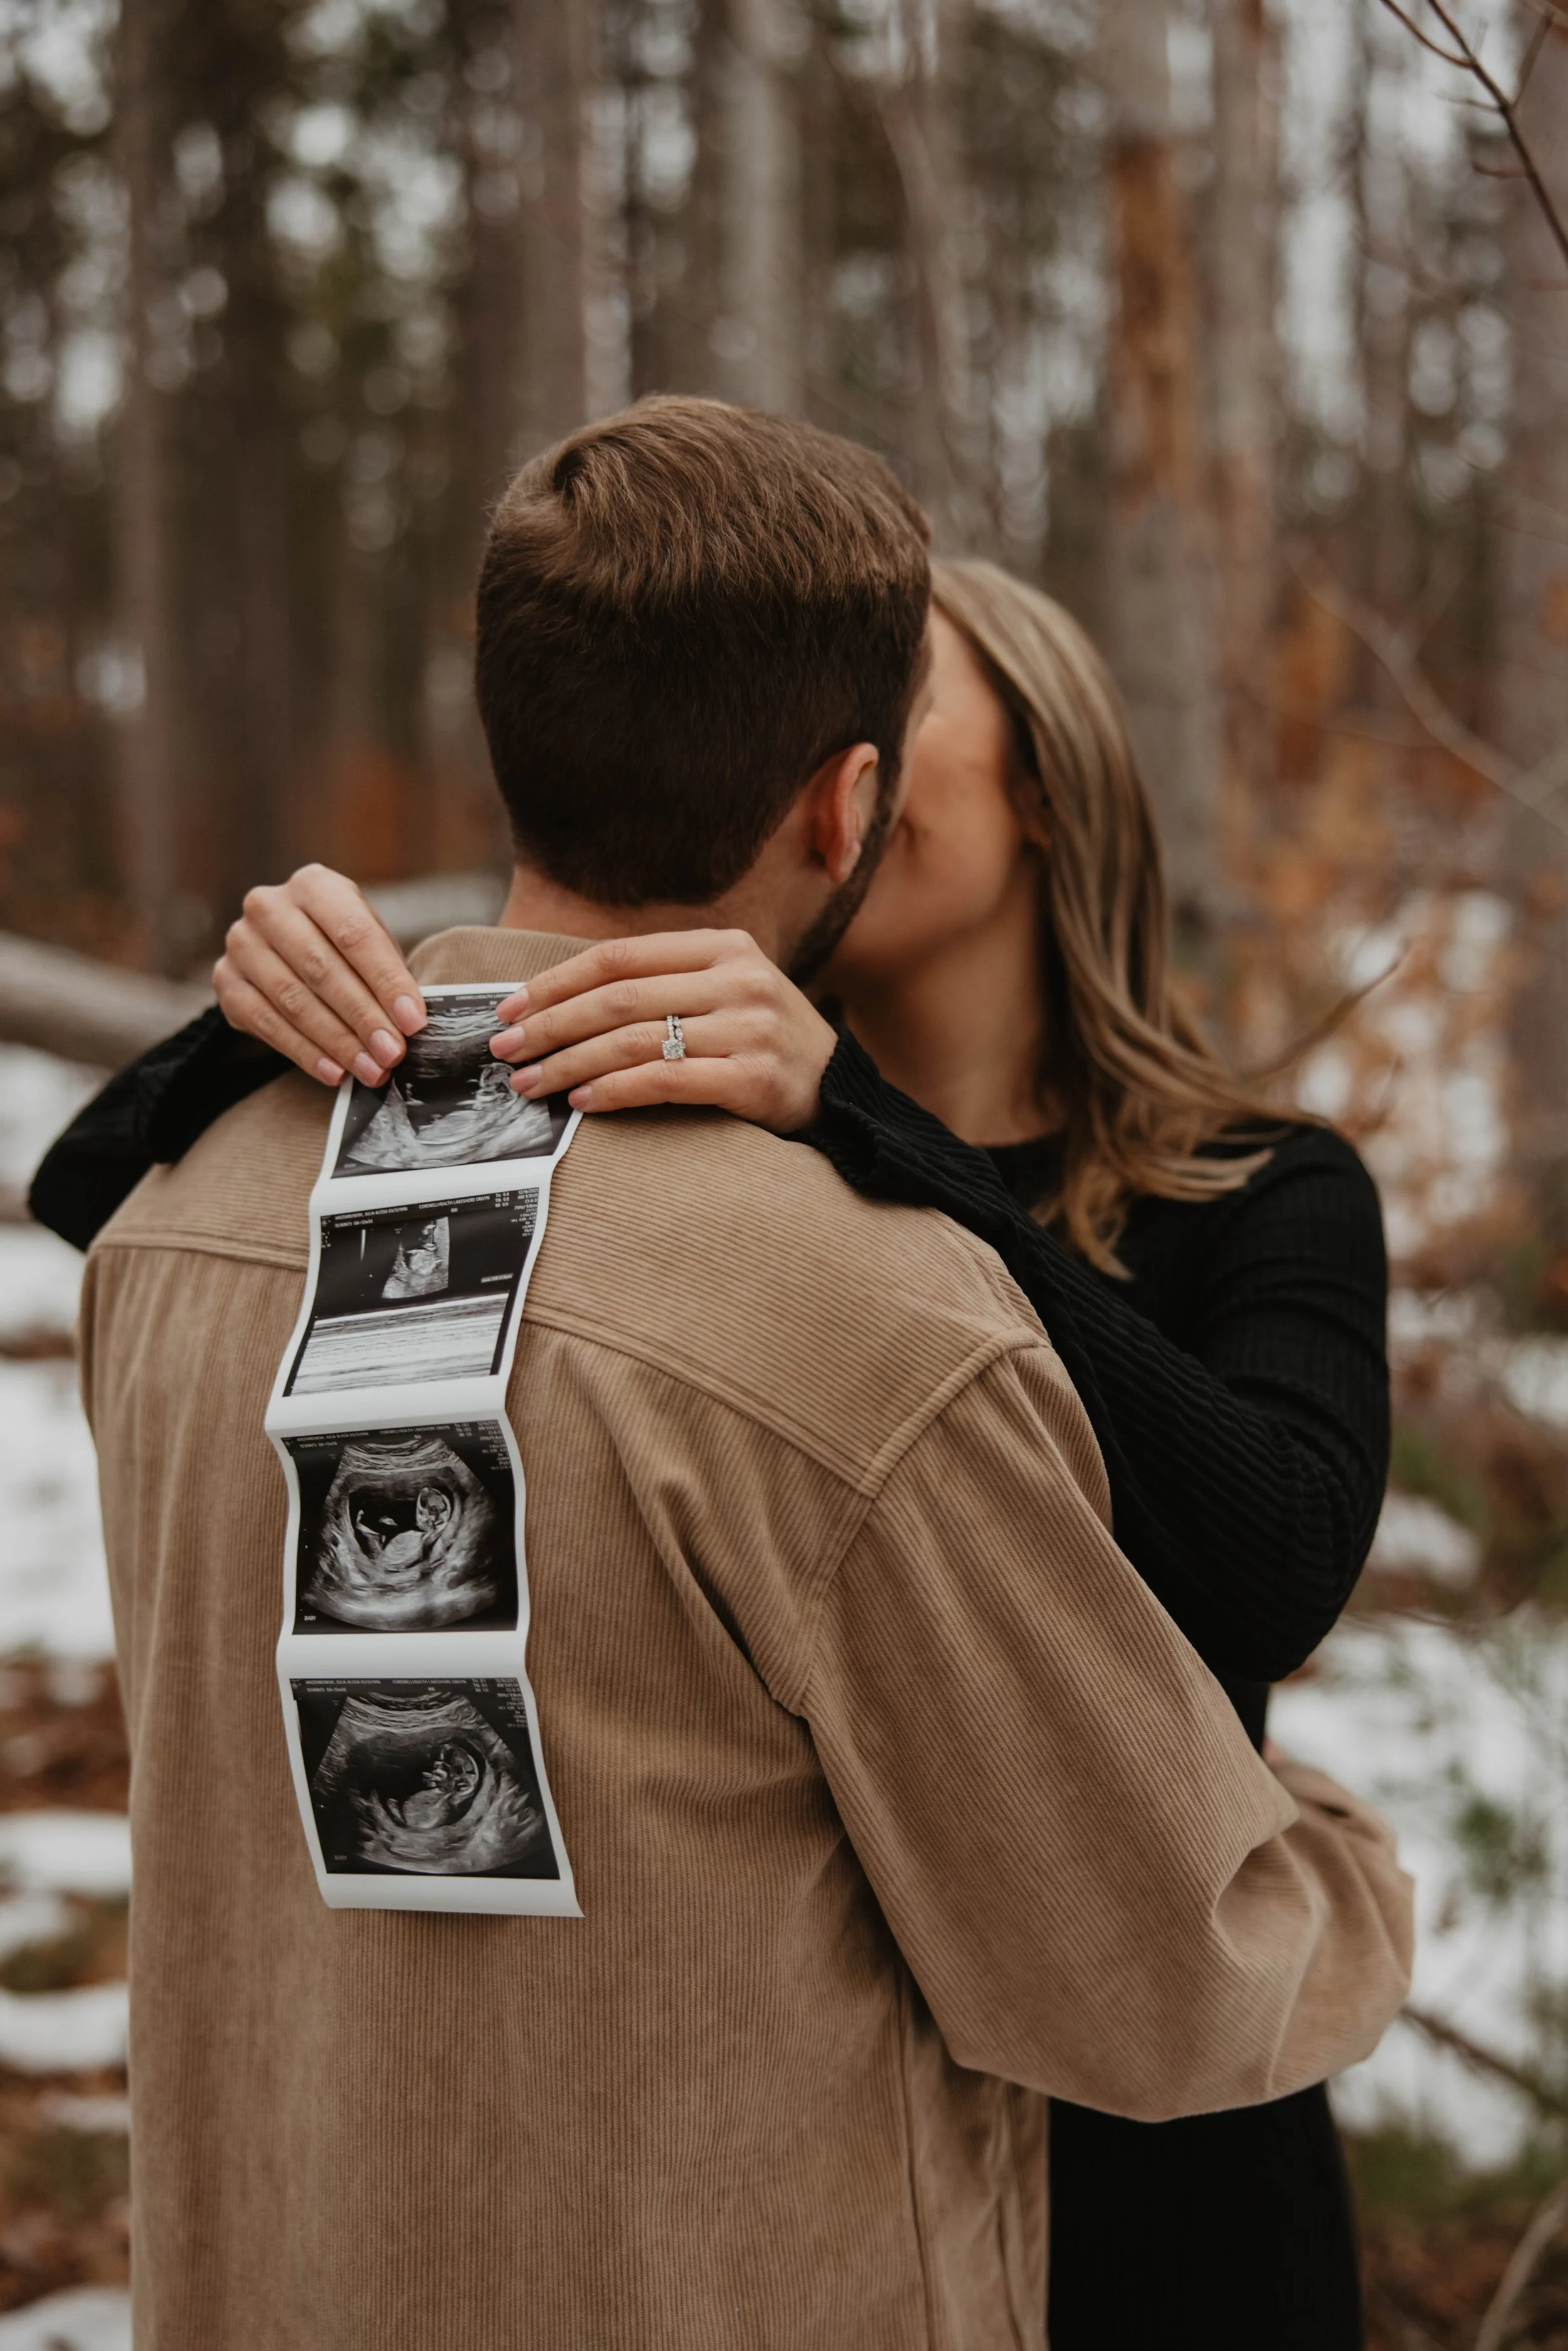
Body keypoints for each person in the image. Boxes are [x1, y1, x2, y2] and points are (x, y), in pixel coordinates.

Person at [48, 399, 1410, 2350]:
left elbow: (1274, 1542)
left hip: (1141, 2192)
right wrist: (258, 1022)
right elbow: (1163, 1962)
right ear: (838, 801)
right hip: (819, 2160)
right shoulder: (819, 1285)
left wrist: (870, 1128)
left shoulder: (1180, 1203)